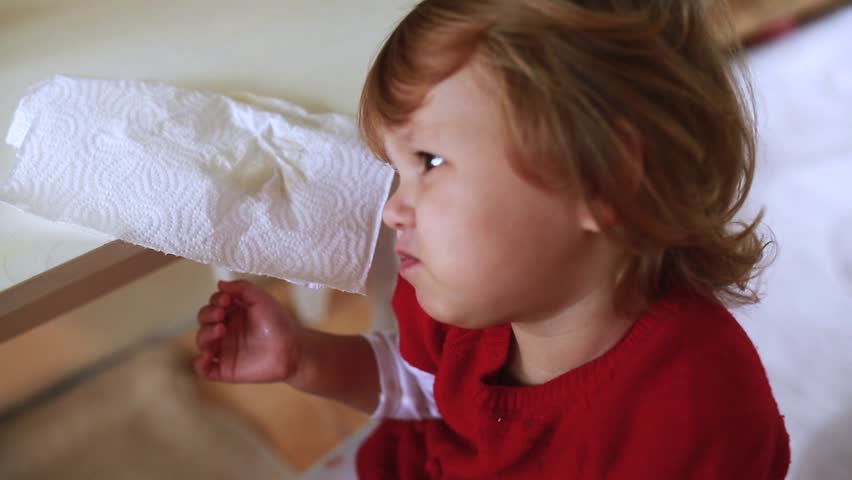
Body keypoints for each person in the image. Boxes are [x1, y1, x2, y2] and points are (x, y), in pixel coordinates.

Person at [194, 1, 791, 478]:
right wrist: (306, 357)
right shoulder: (472, 297)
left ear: (599, 180)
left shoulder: (693, 412)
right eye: (397, 171)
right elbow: (425, 392)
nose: (396, 209)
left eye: (429, 161)